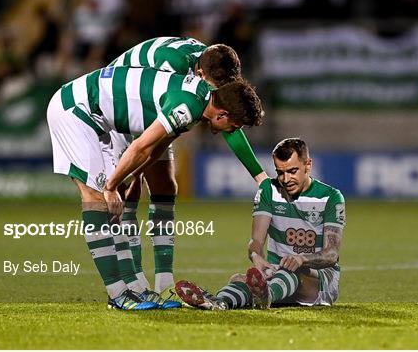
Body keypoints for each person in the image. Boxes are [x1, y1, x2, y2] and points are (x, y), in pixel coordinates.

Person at [46, 65, 264, 310]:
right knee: (96, 197)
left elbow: (155, 148)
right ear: (222, 114)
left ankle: (131, 289)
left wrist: (133, 176)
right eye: (233, 127)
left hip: (100, 119)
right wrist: (111, 185)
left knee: (113, 202)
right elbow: (140, 147)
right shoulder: (186, 107)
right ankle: (117, 295)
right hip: (77, 110)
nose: (231, 132)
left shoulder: (199, 100)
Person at [107, 37, 267, 296]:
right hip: (120, 106)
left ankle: (164, 282)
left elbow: (229, 120)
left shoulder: (216, 66)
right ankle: (133, 280)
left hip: (150, 112)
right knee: (130, 192)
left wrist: (260, 176)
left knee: (166, 186)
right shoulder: (172, 68)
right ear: (199, 73)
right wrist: (135, 171)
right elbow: (147, 121)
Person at [175, 138, 345, 310]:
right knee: (239, 280)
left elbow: (331, 254)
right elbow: (256, 241)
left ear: (308, 165)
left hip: (318, 281)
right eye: (280, 172)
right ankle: (219, 302)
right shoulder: (269, 191)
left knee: (288, 273)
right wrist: (256, 256)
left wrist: (301, 259)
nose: (286, 179)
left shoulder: (330, 197)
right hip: (276, 273)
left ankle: (266, 294)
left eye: (293, 171)